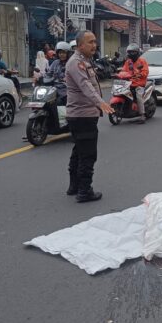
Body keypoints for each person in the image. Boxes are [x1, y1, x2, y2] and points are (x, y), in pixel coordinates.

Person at [65, 31, 114, 203]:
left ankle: (74, 186)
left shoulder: (85, 61)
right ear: (79, 45)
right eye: (90, 42)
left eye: (95, 42)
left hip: (81, 115)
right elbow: (86, 87)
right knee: (88, 155)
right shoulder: (76, 63)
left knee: (78, 151)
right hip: (82, 116)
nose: (94, 45)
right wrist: (101, 103)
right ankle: (85, 191)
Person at [121, 43, 149, 123]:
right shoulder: (128, 62)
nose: (131, 54)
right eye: (129, 52)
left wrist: (140, 74)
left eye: (133, 52)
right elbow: (123, 70)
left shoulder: (142, 61)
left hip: (139, 84)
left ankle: (142, 115)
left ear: (137, 52)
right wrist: (120, 74)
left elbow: (145, 71)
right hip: (129, 83)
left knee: (138, 96)